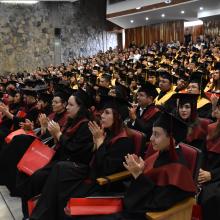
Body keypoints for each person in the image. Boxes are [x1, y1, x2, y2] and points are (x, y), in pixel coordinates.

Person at [29, 96, 134, 220]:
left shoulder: (124, 140)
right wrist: (95, 144)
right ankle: (40, 215)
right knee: (60, 168)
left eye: (107, 113)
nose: (102, 116)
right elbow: (89, 155)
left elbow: (106, 169)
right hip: (90, 170)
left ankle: (41, 215)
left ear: (118, 117)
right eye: (103, 112)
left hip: (102, 182)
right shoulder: (108, 132)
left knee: (62, 181)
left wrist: (99, 142)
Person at [122, 111, 196, 219]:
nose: (151, 138)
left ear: (172, 139)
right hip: (134, 207)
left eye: (156, 134)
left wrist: (138, 174)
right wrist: (140, 171)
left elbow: (156, 203)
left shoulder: (178, 170)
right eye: (152, 133)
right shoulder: (161, 153)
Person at [198, 96, 220, 220]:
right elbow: (203, 153)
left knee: (211, 196)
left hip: (217, 176)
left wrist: (212, 175)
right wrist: (200, 170)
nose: (217, 110)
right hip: (206, 171)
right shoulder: (211, 128)